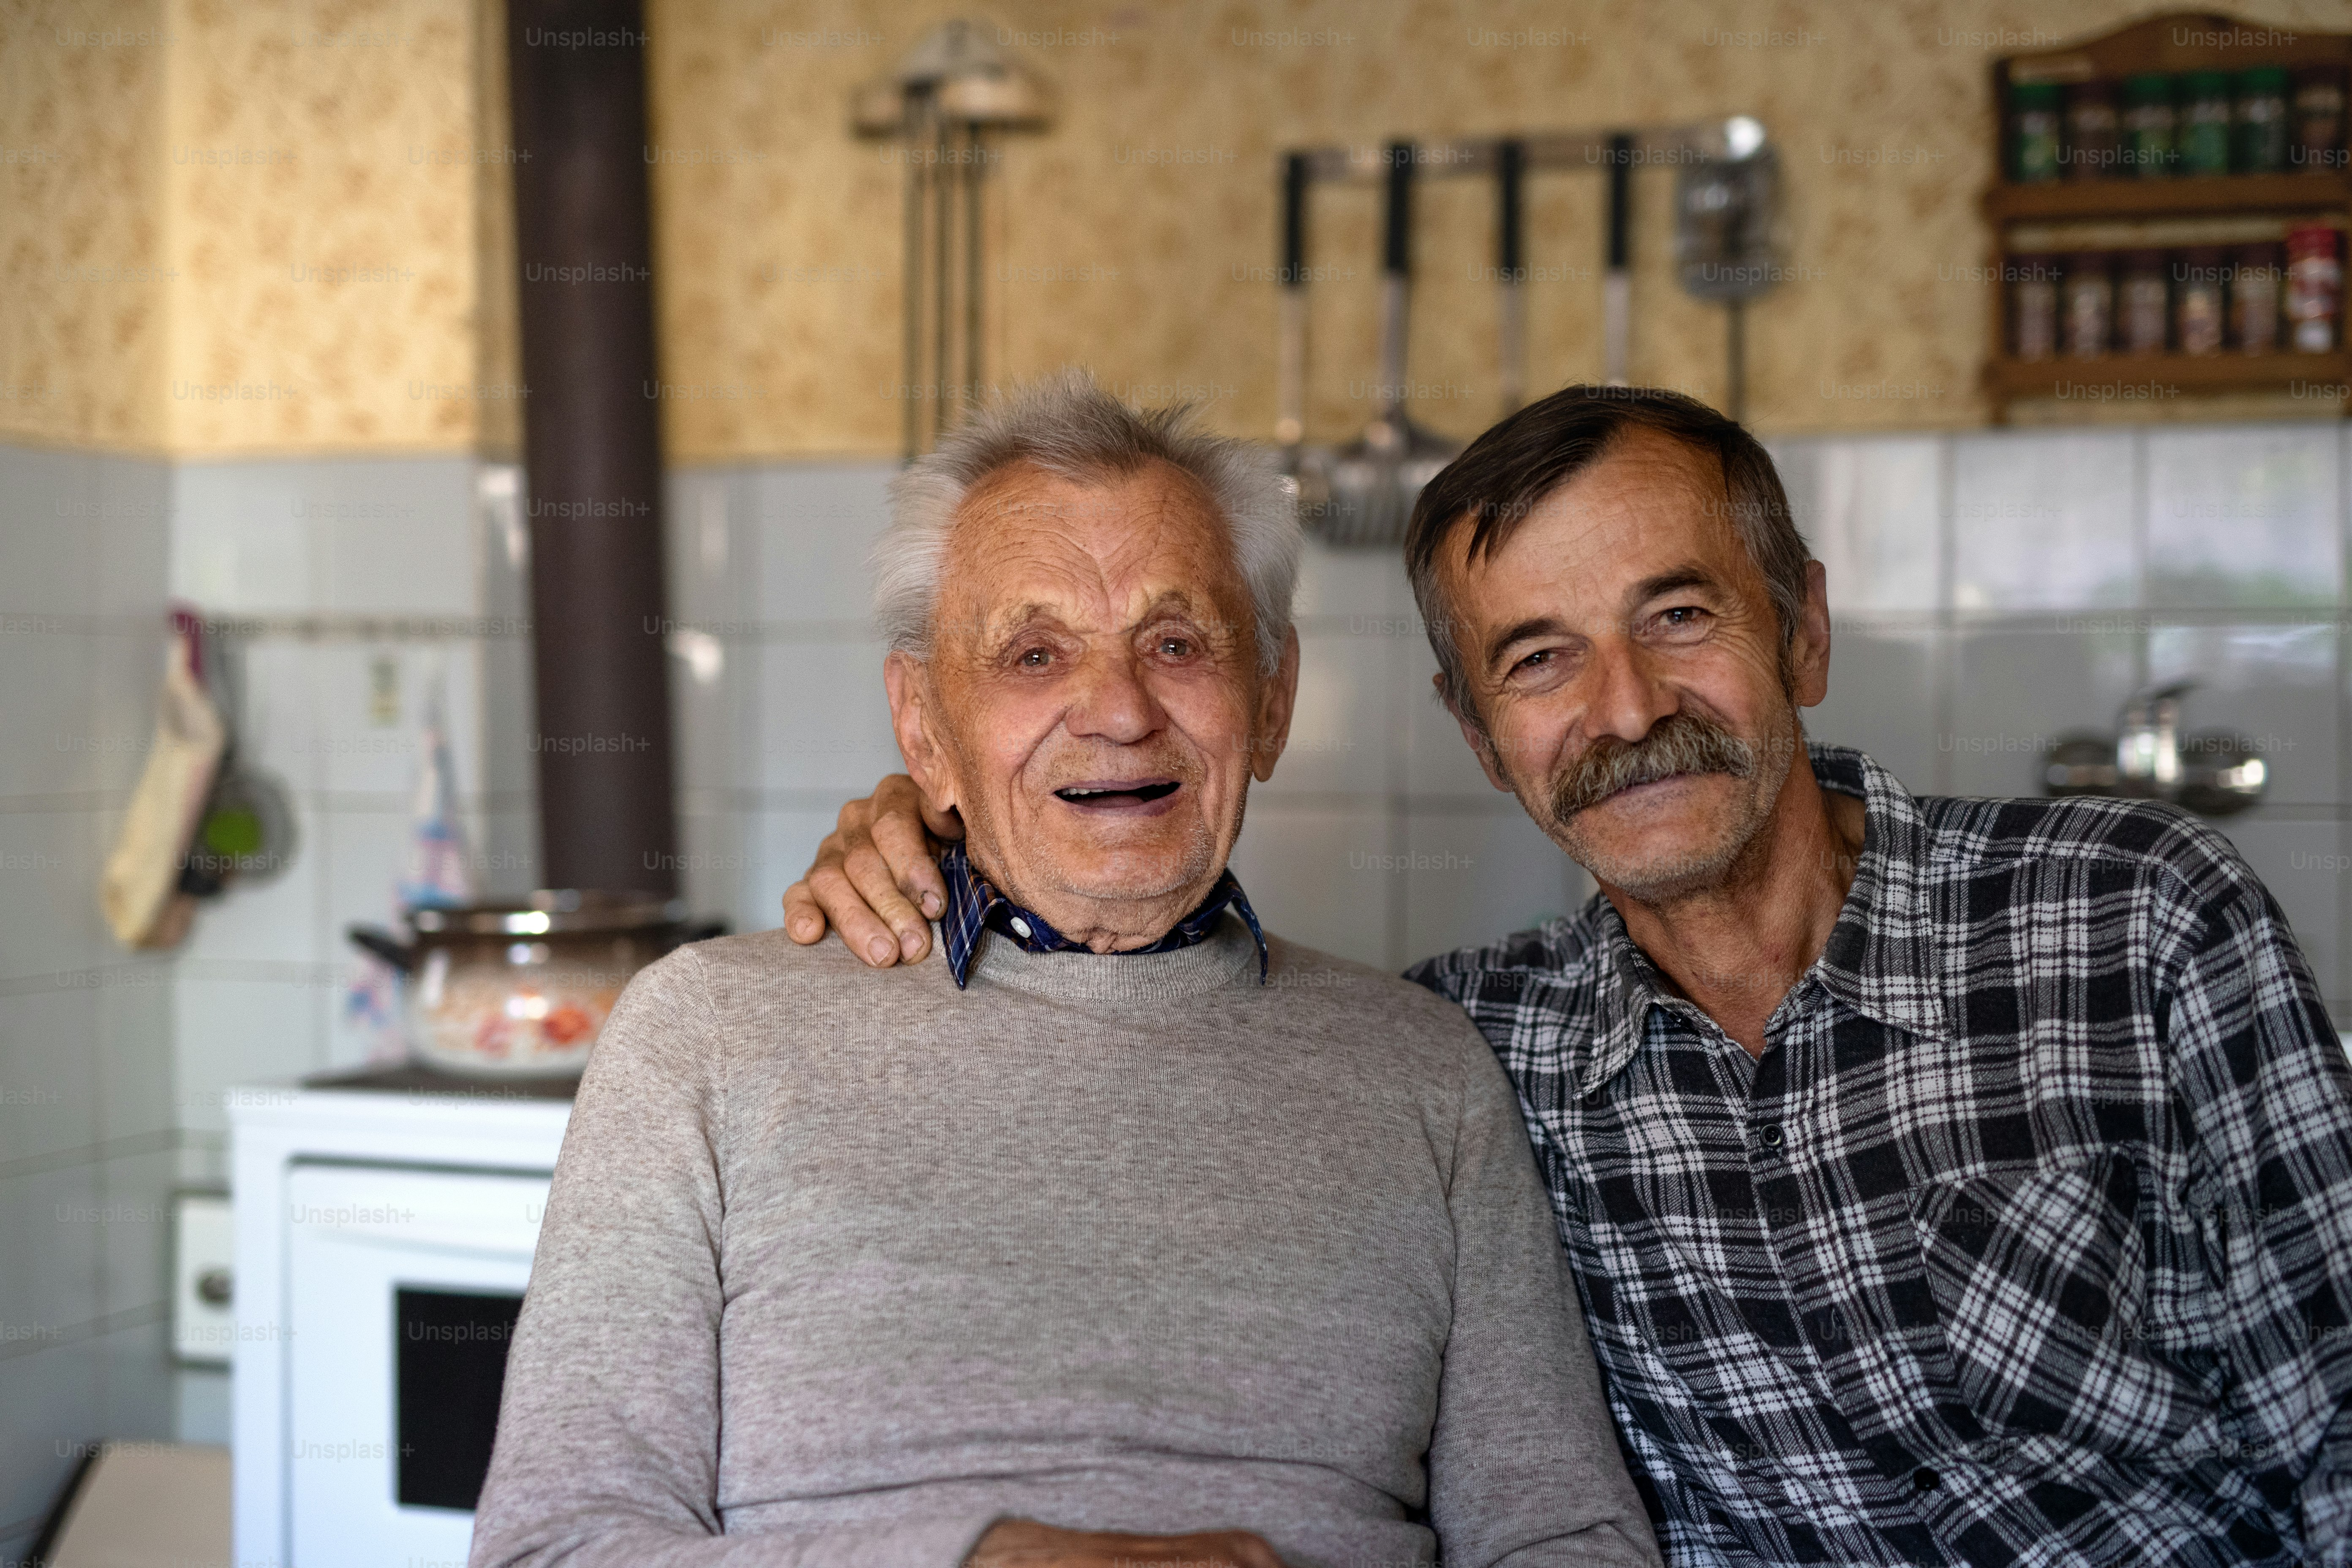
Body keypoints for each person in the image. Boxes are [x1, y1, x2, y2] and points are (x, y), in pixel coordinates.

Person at [790, 383, 2352, 1567]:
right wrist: (926, 831)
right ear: (1478, 735)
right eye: (1538, 659)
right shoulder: (1472, 1053)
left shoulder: (2135, 923)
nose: (1623, 709)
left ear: (1800, 629)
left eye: (1677, 616)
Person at [469, 371, 1661, 1568]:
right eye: (1034, 655)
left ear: (1276, 696)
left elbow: (1571, 1543)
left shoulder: (1423, 1066)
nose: (1120, 711)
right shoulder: (707, 1035)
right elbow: (554, 1547)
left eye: (1177, 642)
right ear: (924, 725)